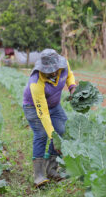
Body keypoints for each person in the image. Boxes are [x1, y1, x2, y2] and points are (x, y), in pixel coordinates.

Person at [22, 48, 76, 188]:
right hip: (33, 107)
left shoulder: (64, 65)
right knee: (41, 135)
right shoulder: (36, 82)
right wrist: (53, 137)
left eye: (54, 69)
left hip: (54, 105)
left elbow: (69, 76)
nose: (52, 72)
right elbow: (43, 113)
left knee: (63, 131)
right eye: (48, 70)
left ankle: (51, 169)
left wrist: (72, 87)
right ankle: (39, 175)